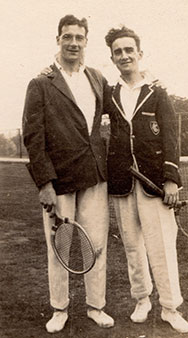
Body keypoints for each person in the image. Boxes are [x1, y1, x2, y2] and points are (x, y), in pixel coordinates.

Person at [22, 15, 114, 333]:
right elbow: (33, 137)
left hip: (95, 176)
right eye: (67, 36)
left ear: (86, 41)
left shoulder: (98, 78)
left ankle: (95, 306)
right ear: (58, 40)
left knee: (97, 244)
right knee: (60, 246)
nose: (73, 42)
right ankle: (59, 308)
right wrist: (44, 183)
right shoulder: (40, 83)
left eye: (79, 37)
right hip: (59, 181)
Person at [104, 26, 188, 333]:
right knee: (132, 246)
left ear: (139, 54)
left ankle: (170, 306)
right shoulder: (109, 94)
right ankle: (142, 300)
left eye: (129, 50)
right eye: (118, 51)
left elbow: (170, 137)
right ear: (112, 58)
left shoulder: (158, 92)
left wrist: (171, 179)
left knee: (163, 247)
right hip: (122, 183)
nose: (124, 55)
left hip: (155, 183)